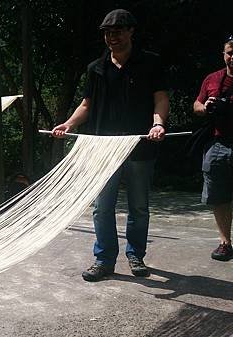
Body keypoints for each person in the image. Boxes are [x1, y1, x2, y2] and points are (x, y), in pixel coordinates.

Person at [52, 9, 169, 282]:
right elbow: (86, 105)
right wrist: (69, 124)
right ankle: (104, 259)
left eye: (117, 31)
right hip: (102, 151)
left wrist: (158, 123)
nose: (111, 37)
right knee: (102, 207)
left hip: (140, 146)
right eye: (107, 33)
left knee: (138, 206)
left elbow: (160, 99)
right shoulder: (96, 68)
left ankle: (136, 255)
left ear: (131, 31)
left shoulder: (150, 63)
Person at [192, 36, 233, 261]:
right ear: (224, 54)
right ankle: (225, 242)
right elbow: (196, 105)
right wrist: (206, 107)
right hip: (218, 143)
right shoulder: (212, 79)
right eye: (229, 52)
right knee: (219, 195)